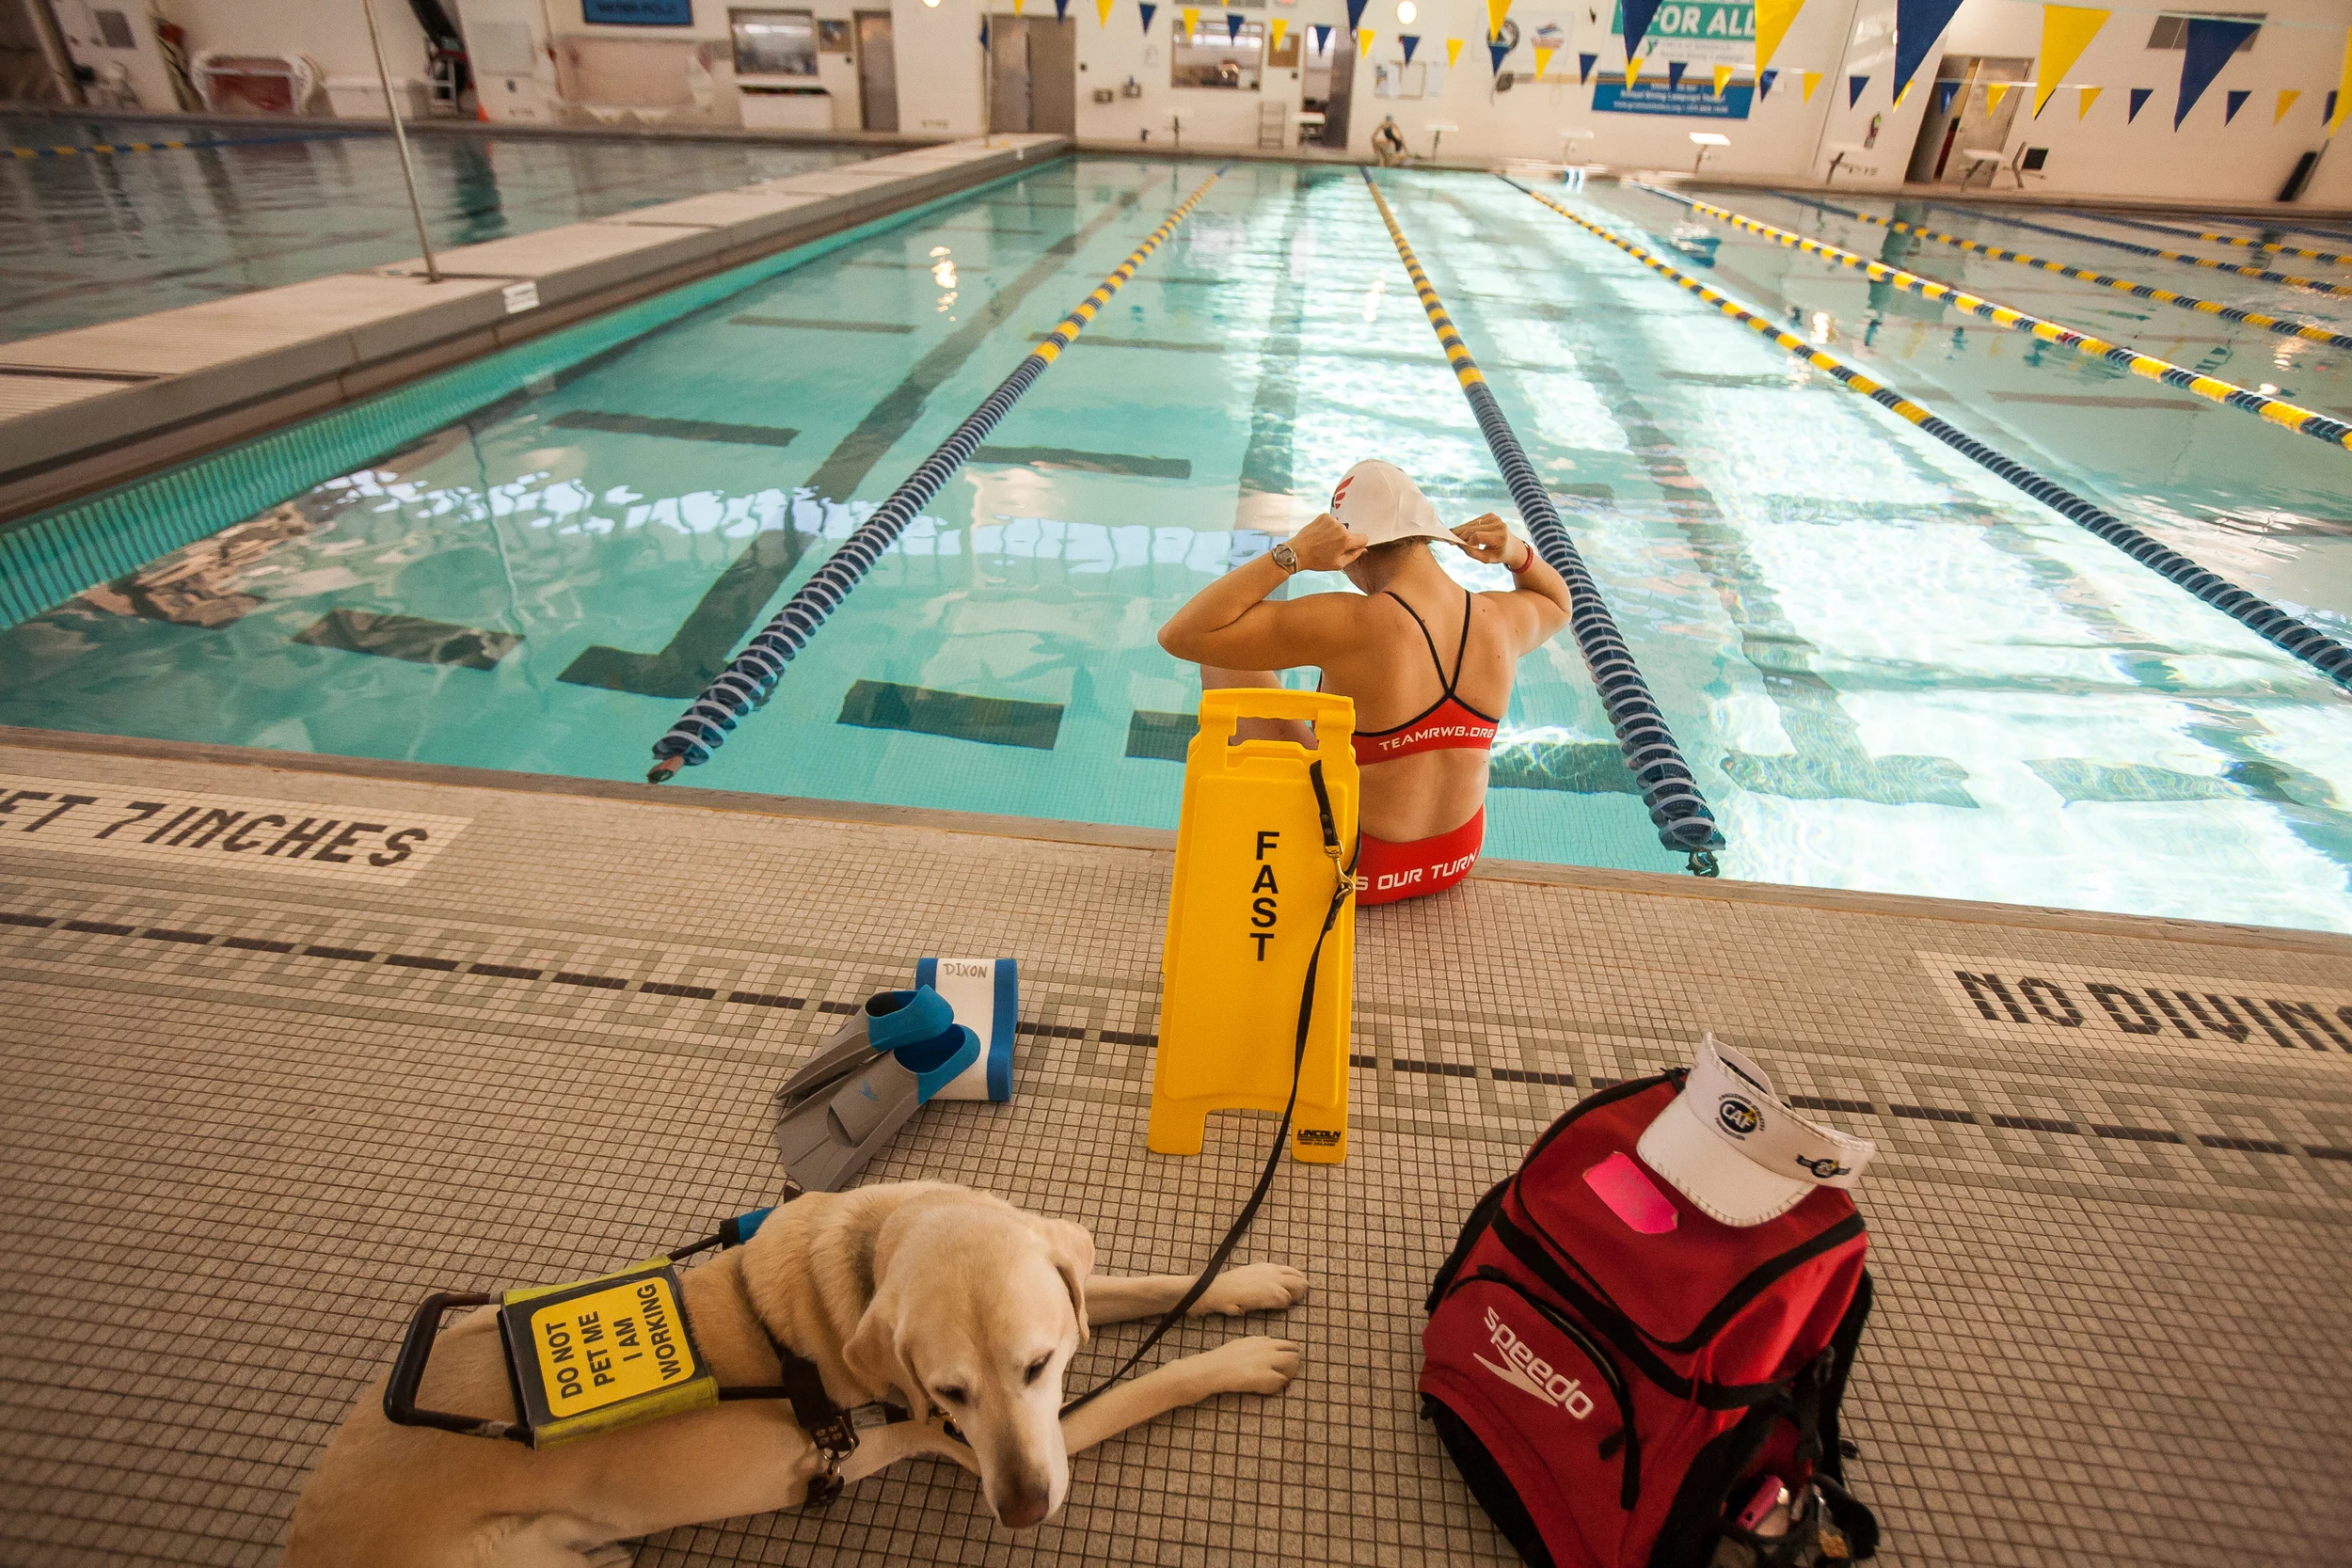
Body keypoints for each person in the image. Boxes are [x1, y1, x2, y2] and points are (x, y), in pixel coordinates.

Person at [1157, 460, 1573, 908]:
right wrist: (1517, 554)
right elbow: (1558, 602)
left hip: (1357, 866)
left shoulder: (1352, 622)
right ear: (1428, 538)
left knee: (1227, 668)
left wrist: (1292, 555)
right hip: (1455, 857)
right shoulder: (1501, 619)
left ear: (1355, 550)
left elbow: (1183, 636)